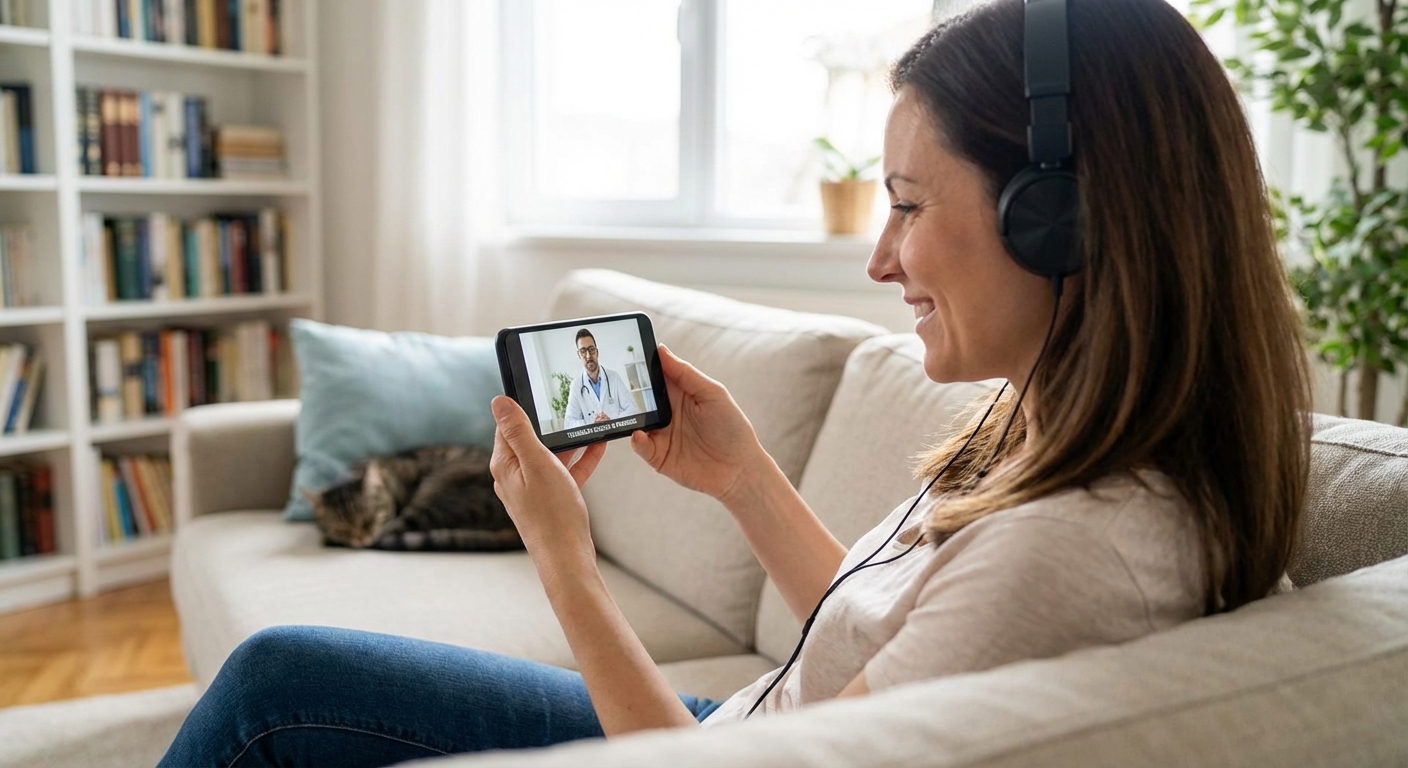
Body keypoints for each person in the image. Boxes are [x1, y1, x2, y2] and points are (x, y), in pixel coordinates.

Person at [158, 0, 1311, 763]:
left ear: (1057, 217)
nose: (878, 259)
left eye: (907, 206)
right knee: (286, 678)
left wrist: (564, 562)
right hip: (756, 718)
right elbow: (877, 653)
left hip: (721, 736)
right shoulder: (1063, 435)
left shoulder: (1070, 547)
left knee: (275, 695)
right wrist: (745, 478)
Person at [563, 329, 638, 428]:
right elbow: (569, 423)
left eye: (591, 349)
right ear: (579, 355)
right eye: (583, 351)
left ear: (597, 352)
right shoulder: (576, 386)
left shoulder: (614, 377)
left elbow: (633, 410)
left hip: (617, 437)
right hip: (594, 441)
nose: (588, 355)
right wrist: (592, 425)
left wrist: (613, 422)